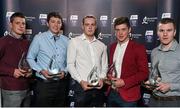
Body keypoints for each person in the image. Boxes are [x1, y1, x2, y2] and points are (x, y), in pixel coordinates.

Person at [27, 12, 69, 107]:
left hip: (61, 84)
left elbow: (70, 61)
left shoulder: (66, 41)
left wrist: (65, 72)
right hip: (44, 85)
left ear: (61, 25)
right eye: (53, 21)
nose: (56, 25)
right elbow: (30, 57)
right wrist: (41, 71)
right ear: (47, 23)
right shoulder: (39, 38)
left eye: (58, 22)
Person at [106, 17, 149, 107]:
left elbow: (144, 73)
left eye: (123, 29)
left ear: (129, 30)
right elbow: (112, 68)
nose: (120, 33)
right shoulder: (112, 47)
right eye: (117, 30)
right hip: (111, 93)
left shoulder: (138, 48)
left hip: (129, 96)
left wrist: (124, 82)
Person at [67, 15, 108, 107]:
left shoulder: (102, 45)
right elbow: (70, 65)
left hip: (98, 88)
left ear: (96, 26)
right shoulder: (74, 42)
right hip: (82, 88)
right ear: (82, 26)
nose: (90, 27)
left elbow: (105, 66)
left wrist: (102, 79)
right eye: (87, 24)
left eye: (92, 24)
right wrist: (81, 81)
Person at [144, 18, 180, 107]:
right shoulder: (154, 52)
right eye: (161, 30)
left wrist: (170, 86)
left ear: (174, 32)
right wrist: (150, 82)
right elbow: (153, 74)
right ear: (157, 32)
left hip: (173, 102)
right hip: (154, 100)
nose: (165, 34)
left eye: (169, 30)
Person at [0, 12, 31, 107]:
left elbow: (30, 61)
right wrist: (12, 71)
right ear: (10, 24)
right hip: (11, 90)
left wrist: (31, 72)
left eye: (23, 23)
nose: (21, 26)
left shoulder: (27, 43)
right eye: (18, 23)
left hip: (27, 89)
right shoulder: (3, 41)